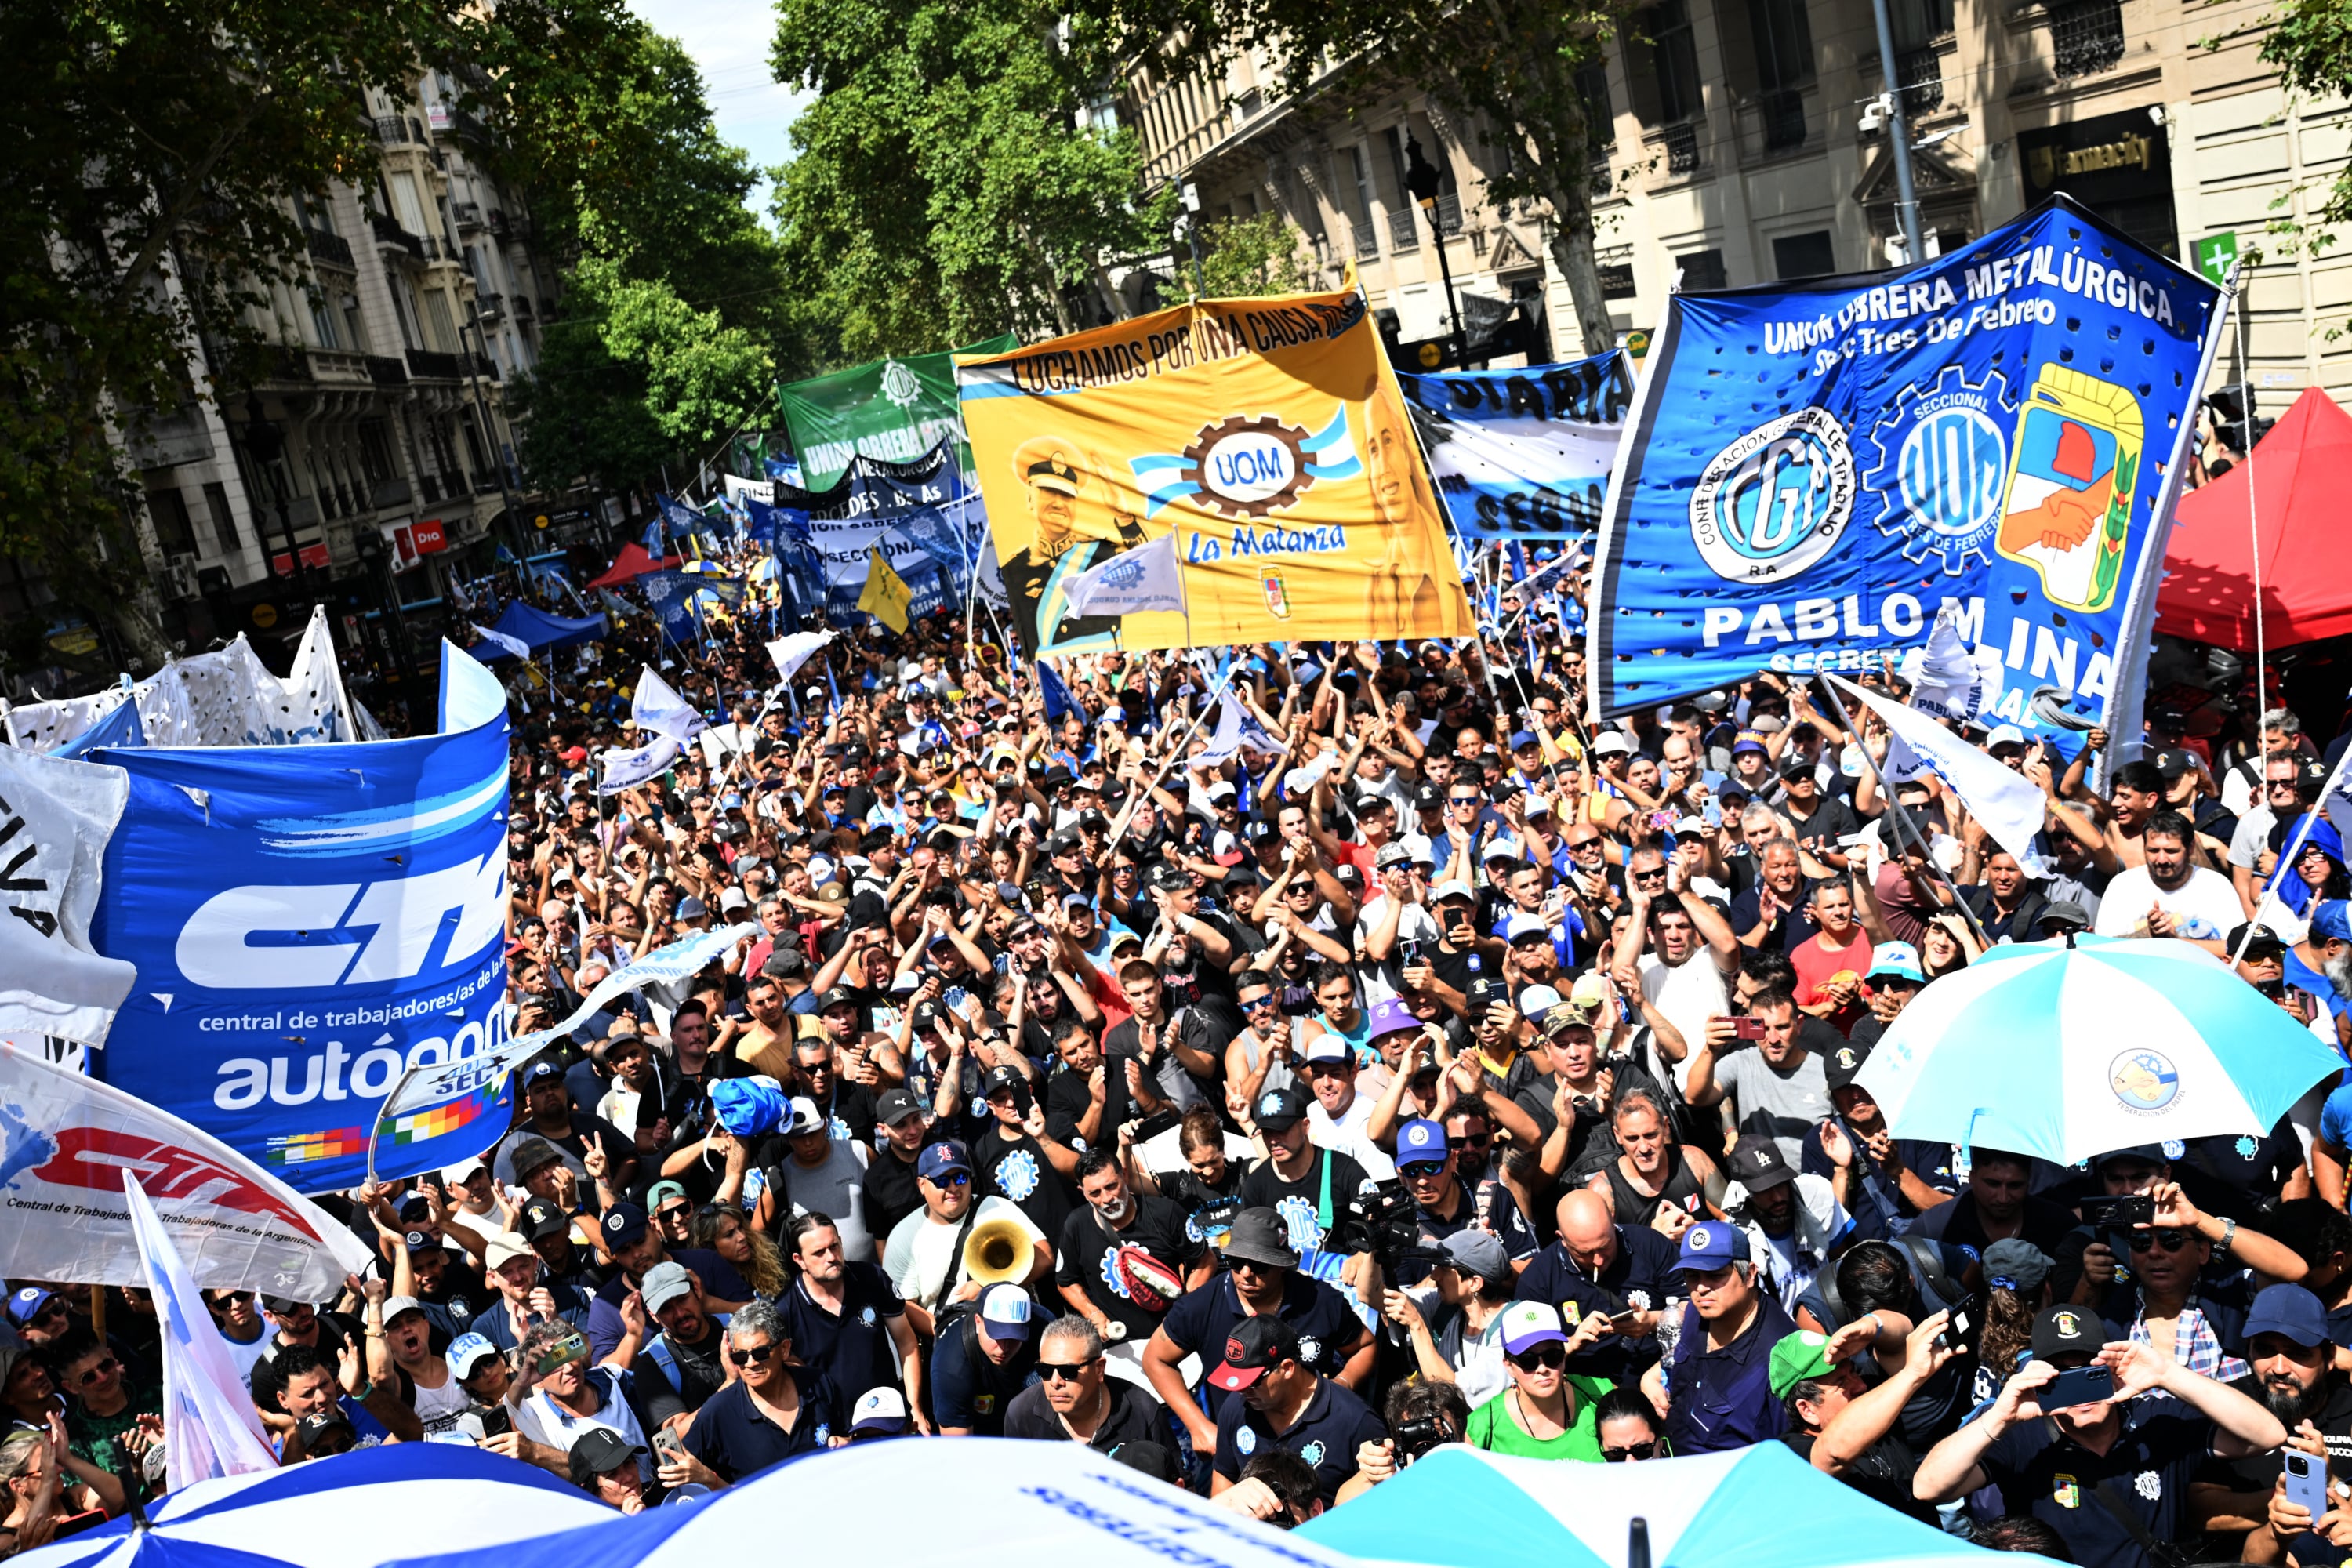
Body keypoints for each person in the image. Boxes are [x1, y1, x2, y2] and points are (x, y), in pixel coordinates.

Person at [1915, 1307, 2288, 1568]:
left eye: (2091, 1373)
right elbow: (1928, 1488)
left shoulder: (2155, 1421)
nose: (2081, 1393)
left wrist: (2166, 1373)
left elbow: (2268, 1434)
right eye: (2062, 1378)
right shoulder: (2022, 1437)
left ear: (2113, 1368)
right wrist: (1998, 1417)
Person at [1145, 1207, 1374, 1457]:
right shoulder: (1200, 1306)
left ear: (1282, 1265)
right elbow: (1155, 1358)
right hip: (1242, 1448)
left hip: (1317, 1442)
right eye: (1235, 1262)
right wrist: (1198, 1425)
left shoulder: (1320, 1300)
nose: (1245, 1273)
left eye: (1258, 1265)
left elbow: (1365, 1346)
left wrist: (1344, 1382)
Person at [1642, 1220, 1800, 1454]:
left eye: (1716, 1276)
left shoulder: (1781, 1358)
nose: (1702, 1288)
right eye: (1692, 1276)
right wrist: (1650, 1377)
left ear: (1749, 1275)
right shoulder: (1701, 1309)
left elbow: (1793, 1455)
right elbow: (1686, 1358)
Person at [1207, 1315, 1388, 1507]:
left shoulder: (1355, 1421)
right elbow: (1224, 1478)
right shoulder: (1236, 1408)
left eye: (1252, 1382)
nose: (1242, 1392)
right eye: (1237, 1382)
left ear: (1287, 1368)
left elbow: (1384, 1500)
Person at [775, 1212, 923, 1426]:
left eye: (834, 1246)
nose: (831, 1257)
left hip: (888, 1420)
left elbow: (907, 1343)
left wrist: (915, 1409)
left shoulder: (872, 1278)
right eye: (819, 1252)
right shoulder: (784, 1310)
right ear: (799, 1260)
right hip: (834, 1432)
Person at [671, 1301, 840, 1485]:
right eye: (741, 1356)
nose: (750, 1363)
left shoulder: (818, 1383)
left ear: (784, 1349)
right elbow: (682, 1476)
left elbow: (848, 1435)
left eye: (760, 1353)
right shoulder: (718, 1412)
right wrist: (710, 1480)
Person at [1055, 1148, 1209, 1346]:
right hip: (1119, 1348)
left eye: (1111, 1186)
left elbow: (1205, 1259)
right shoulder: (1076, 1225)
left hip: (1176, 1339)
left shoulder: (1166, 1213)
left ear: (1125, 1176)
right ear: (1082, 1193)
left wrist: (1185, 1307)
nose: (1106, 1198)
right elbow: (1066, 1281)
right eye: (1094, 1193)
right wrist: (1092, 1312)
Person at [1463, 1301, 1613, 1459]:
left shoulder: (1601, 1394)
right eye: (1528, 1360)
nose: (1542, 1369)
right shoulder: (1484, 1426)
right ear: (1508, 1365)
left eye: (1552, 1356)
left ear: (1564, 1354)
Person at [1002, 1315, 1167, 1451]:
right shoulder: (1021, 1414)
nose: (1055, 1382)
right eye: (1044, 1370)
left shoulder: (1142, 1410)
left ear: (1099, 1369)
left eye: (1068, 1371)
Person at [931, 1284, 1040, 1437]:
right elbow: (957, 1450)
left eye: (1013, 1338)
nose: (1003, 1349)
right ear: (978, 1322)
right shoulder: (952, 1366)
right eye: (996, 1336)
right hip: (977, 1430)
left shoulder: (1045, 1330)